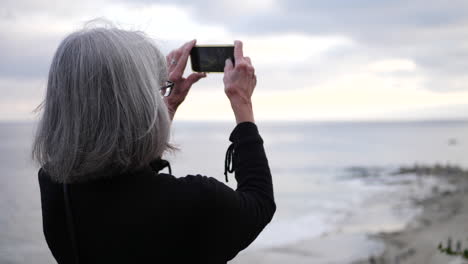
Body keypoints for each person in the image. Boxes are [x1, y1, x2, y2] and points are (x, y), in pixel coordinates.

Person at [32, 24, 275, 264]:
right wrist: (241, 101)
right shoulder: (194, 202)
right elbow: (259, 203)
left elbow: (123, 174)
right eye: (154, 91)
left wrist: (168, 104)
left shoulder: (54, 186)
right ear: (141, 104)